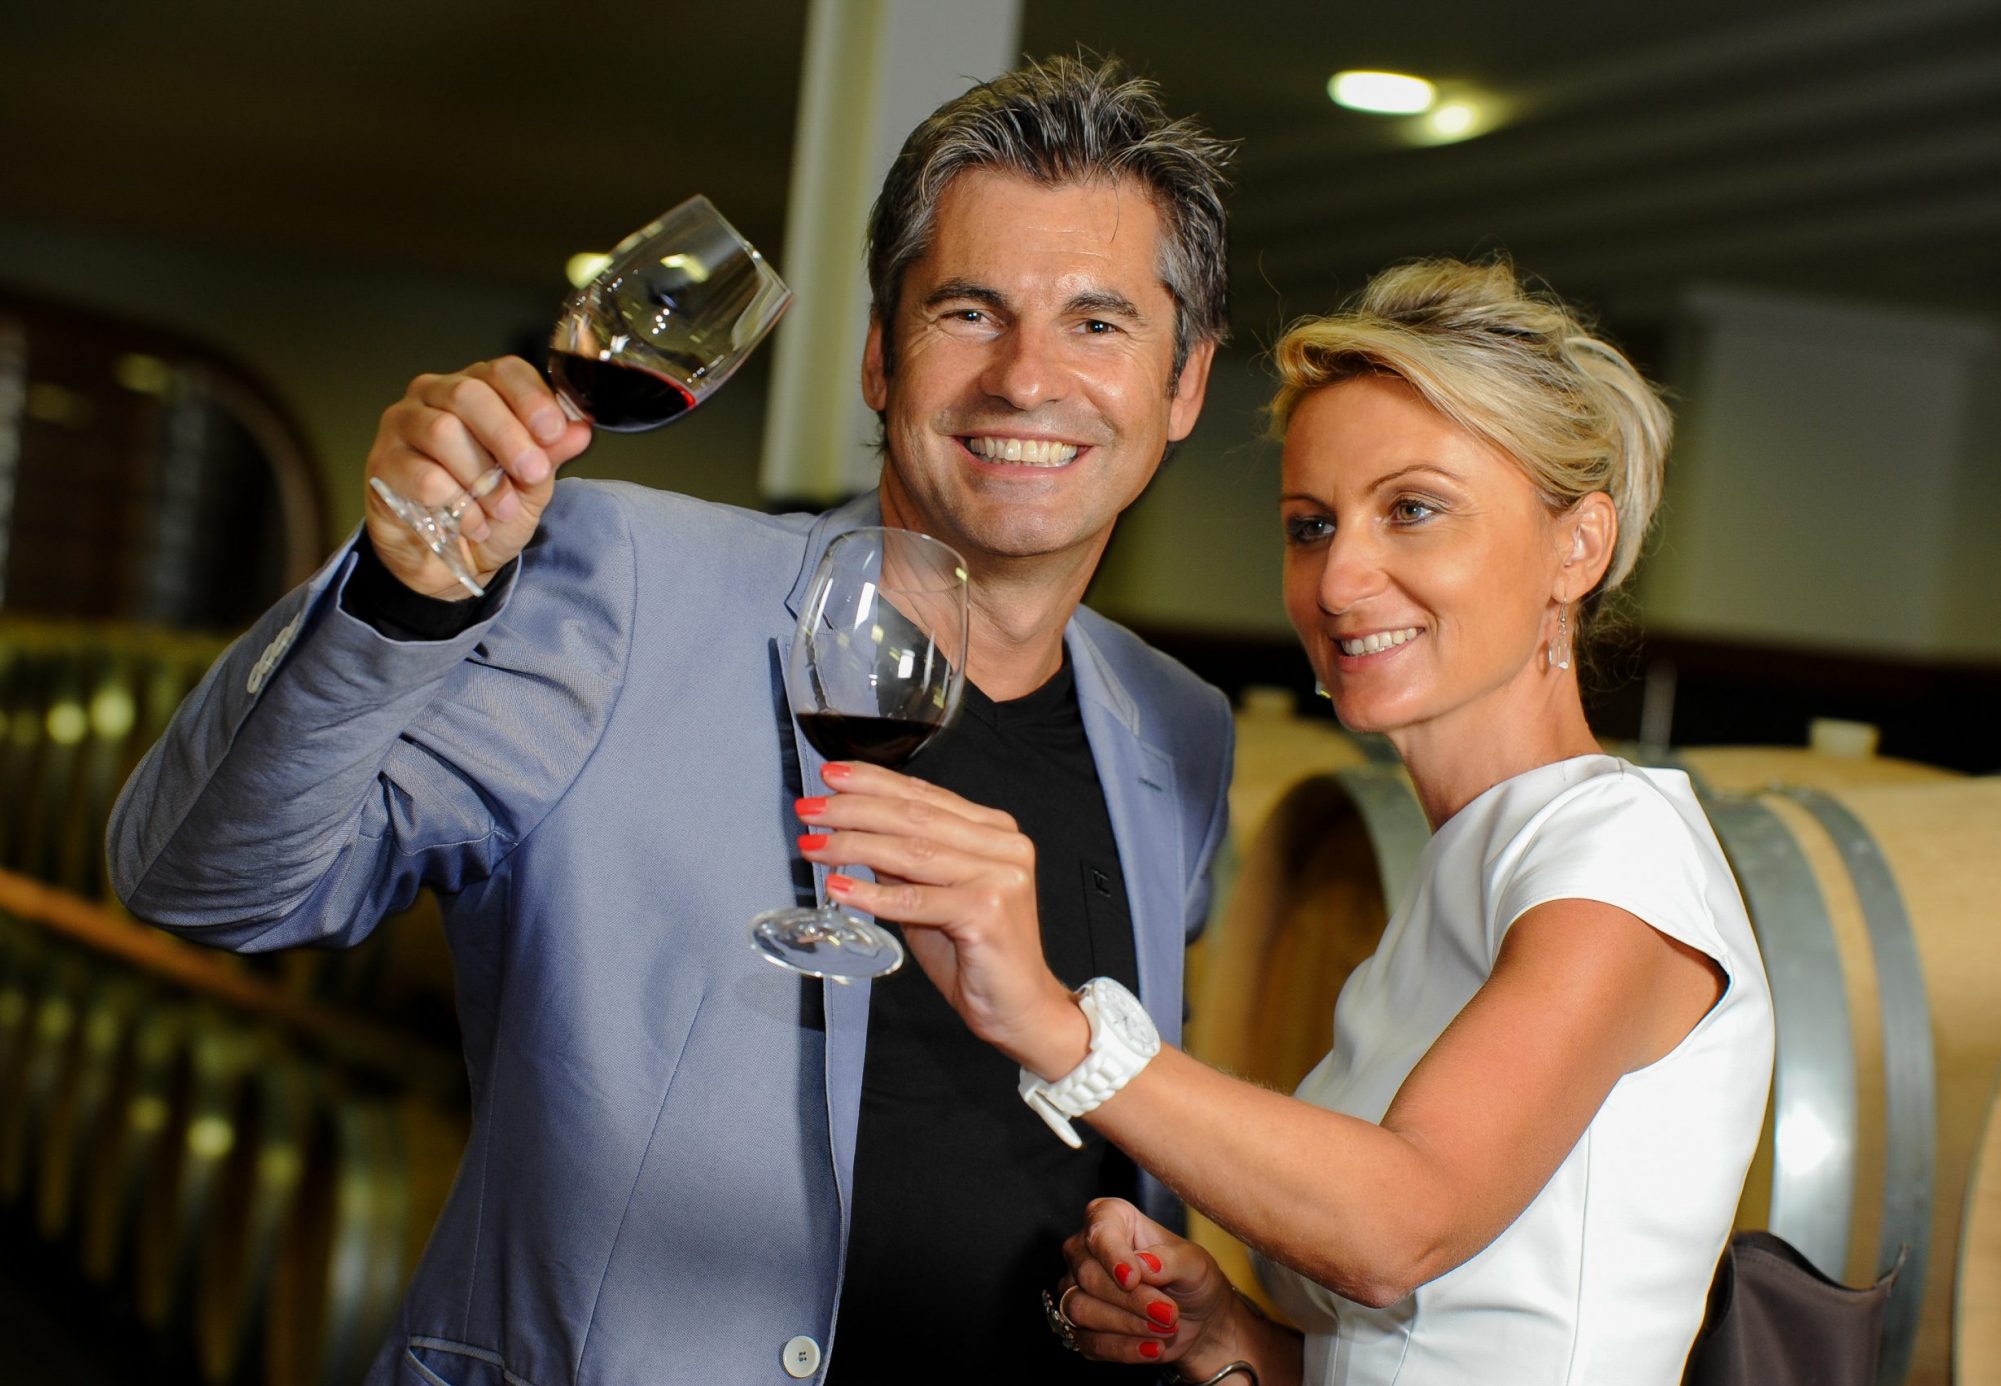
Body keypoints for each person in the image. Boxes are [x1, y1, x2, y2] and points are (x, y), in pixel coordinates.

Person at [106, 55, 1236, 1385]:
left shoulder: (1178, 731)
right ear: (881, 356)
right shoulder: (625, 587)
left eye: (1100, 323)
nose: (1027, 377)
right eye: (969, 311)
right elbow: (205, 883)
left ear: (1184, 386)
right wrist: (406, 601)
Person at [797, 257, 1775, 1384]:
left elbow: (1396, 1229)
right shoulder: (1468, 872)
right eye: (1310, 526)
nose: (1340, 579)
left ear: (1577, 546)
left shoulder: (1616, 853)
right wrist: (1231, 1337)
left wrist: (1053, 1023)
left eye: (1412, 510)